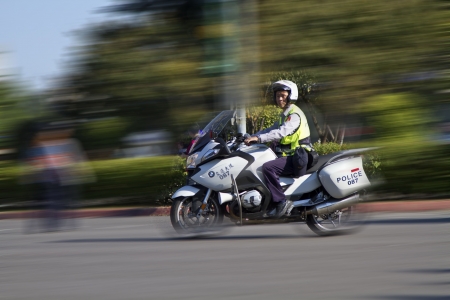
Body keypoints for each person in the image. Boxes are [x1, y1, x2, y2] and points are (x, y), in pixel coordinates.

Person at [244, 80, 311, 218]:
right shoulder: (285, 114)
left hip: (298, 157)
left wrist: (259, 139)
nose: (279, 98)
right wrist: (253, 136)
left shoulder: (294, 115)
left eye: (283, 95)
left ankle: (281, 202)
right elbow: (272, 129)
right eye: (277, 95)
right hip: (291, 156)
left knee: (268, 168)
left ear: (291, 96)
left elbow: (280, 132)